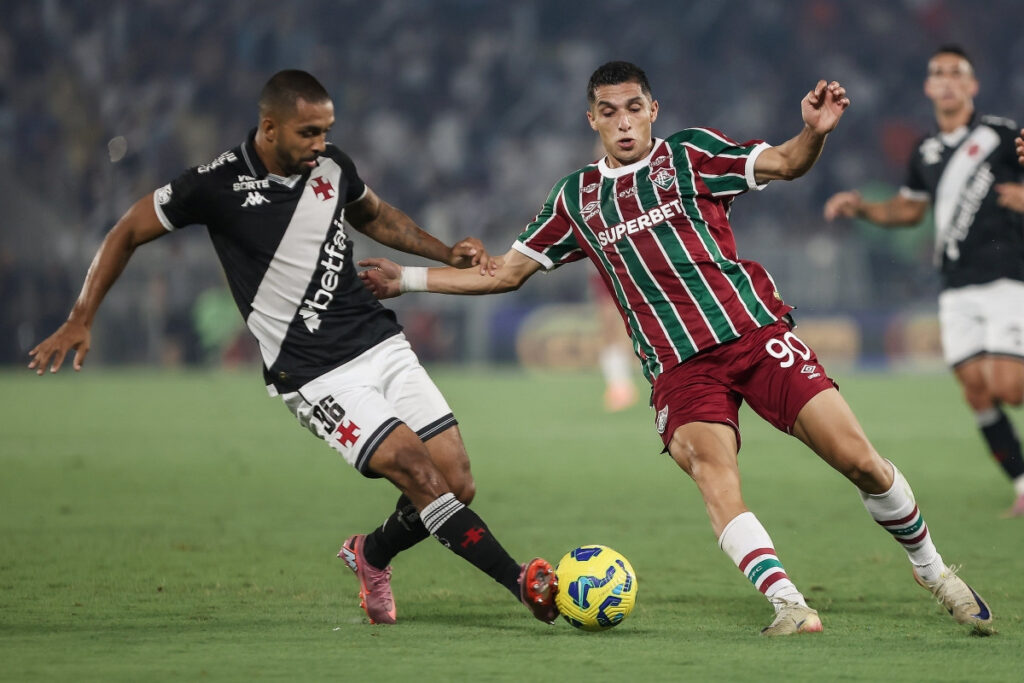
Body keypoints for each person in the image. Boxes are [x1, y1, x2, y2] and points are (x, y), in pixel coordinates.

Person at [359, 61, 994, 636]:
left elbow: (785, 163)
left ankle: (934, 571)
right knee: (715, 476)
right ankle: (789, 605)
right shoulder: (576, 198)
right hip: (680, 371)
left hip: (754, 337)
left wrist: (814, 132)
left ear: (652, 110)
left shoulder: (691, 156)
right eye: (609, 111)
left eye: (633, 108)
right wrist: (408, 279)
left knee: (861, 462)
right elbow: (503, 272)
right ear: (591, 119)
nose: (623, 122)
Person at [27, 69, 558, 627]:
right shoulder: (216, 184)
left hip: (379, 341)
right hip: (315, 374)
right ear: (269, 128)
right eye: (308, 132)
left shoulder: (332, 166)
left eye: (326, 131)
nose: (320, 144)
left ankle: (371, 553)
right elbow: (128, 230)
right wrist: (80, 316)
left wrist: (444, 252)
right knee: (417, 472)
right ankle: (520, 581)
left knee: (457, 483)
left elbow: (376, 216)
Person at [824, 45, 1024, 518]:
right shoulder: (926, 151)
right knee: (975, 390)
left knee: (1010, 388)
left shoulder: (1001, 135)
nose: (948, 80)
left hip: (1006, 276)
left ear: (972, 85)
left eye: (957, 72)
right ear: (929, 86)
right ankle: (1022, 483)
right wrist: (863, 208)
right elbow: (910, 210)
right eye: (939, 73)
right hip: (955, 286)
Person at [592, 272, 639, 412]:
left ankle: (623, 387)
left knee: (614, 321)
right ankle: (617, 386)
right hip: (597, 267)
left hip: (613, 264)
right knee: (607, 328)